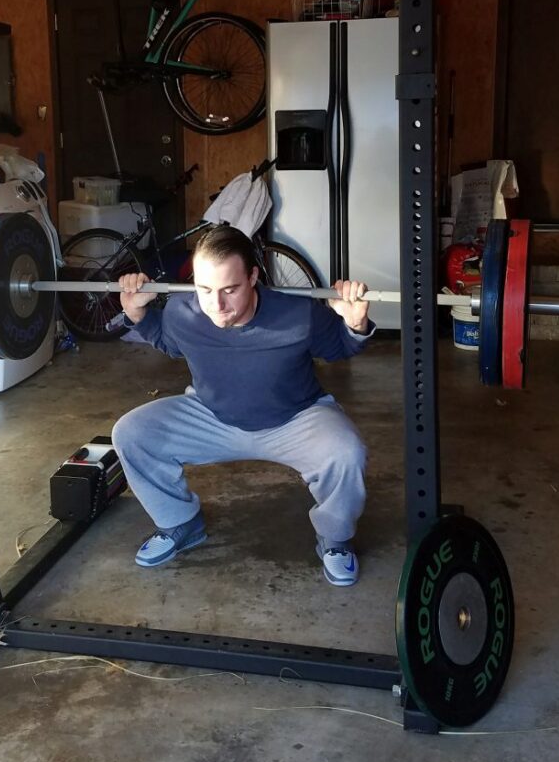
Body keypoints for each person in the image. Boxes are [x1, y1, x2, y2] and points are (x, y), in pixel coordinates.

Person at [111, 224, 375, 587]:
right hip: (212, 417)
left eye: (229, 290)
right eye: (205, 289)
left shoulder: (299, 314)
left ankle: (335, 539)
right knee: (132, 432)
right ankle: (180, 523)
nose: (216, 305)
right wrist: (138, 315)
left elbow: (340, 347)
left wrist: (355, 323)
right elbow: (167, 340)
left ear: (253, 276)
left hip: (294, 419)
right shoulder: (182, 312)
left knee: (346, 453)